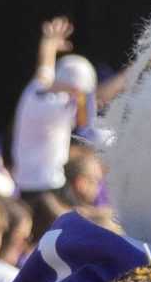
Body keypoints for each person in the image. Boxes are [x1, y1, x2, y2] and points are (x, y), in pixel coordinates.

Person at [10, 16, 92, 194]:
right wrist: (127, 76)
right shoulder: (54, 108)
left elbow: (44, 69)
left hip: (30, 183)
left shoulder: (35, 91)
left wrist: (49, 44)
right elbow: (95, 101)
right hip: (43, 187)